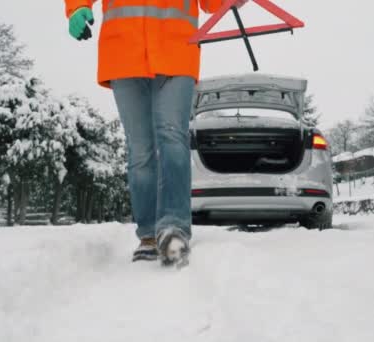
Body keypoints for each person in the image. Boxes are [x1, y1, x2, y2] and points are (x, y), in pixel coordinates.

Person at [64, 0, 244, 266]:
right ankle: (148, 234)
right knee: (140, 151)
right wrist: (77, 7)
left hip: (176, 50)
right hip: (123, 52)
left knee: (172, 138)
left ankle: (174, 229)